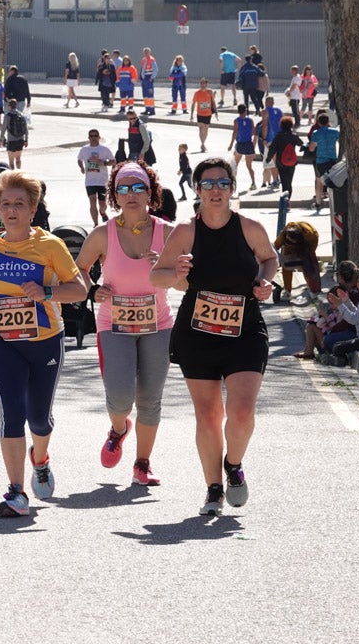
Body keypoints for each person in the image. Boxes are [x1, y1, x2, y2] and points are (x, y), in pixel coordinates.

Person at [150, 157, 278, 516]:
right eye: (208, 184)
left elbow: (270, 259)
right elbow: (157, 278)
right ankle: (213, 489)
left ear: (232, 187)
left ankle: (233, 464)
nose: (216, 190)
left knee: (241, 412)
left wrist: (265, 281)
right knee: (208, 416)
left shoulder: (249, 228)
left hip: (245, 331)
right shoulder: (186, 232)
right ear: (197, 190)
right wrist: (175, 270)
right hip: (198, 333)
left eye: (222, 183)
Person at [0, 170, 89, 516]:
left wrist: (47, 292)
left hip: (45, 339)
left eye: (20, 204)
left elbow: (80, 289)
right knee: (11, 414)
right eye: (5, 204)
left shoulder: (50, 245)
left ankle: (41, 459)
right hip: (4, 339)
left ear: (33, 209)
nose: (12, 210)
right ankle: (16, 492)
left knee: (39, 419)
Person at [75, 161, 174, 487]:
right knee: (120, 398)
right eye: (123, 188)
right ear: (115, 194)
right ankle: (119, 428)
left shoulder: (168, 232)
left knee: (150, 399)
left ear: (150, 191)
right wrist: (93, 288)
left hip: (157, 324)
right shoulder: (102, 234)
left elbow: (190, 271)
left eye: (138, 187)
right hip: (113, 325)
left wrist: (167, 268)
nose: (131, 194)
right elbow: (79, 269)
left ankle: (142, 464)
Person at [292, 261, 359, 358]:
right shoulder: (347, 291)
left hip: (352, 332)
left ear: (341, 277)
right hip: (340, 327)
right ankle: (309, 351)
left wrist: (329, 325)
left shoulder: (354, 294)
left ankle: (327, 353)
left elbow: (347, 322)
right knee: (311, 326)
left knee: (326, 339)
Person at [273, 220, 322, 301]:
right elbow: (275, 247)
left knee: (308, 267)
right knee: (286, 266)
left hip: (305, 248)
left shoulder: (310, 236)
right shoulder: (283, 236)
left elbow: (311, 252)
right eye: (289, 243)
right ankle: (287, 290)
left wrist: (301, 257)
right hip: (288, 249)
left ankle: (314, 290)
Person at [265, 116, 305, 207]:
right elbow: (302, 145)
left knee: (284, 181)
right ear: (291, 125)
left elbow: (273, 149)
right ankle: (288, 200)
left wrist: (268, 158)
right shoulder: (293, 136)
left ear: (281, 126)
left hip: (281, 163)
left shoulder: (278, 137)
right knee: (289, 182)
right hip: (291, 162)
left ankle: (285, 200)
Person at [77, 128, 115, 225]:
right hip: (90, 181)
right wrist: (82, 168)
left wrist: (104, 163)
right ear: (88, 138)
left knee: (102, 204)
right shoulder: (84, 149)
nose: (93, 138)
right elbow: (79, 159)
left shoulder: (104, 149)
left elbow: (113, 161)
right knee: (92, 201)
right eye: (91, 136)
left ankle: (102, 212)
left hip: (102, 181)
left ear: (99, 137)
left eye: (95, 136)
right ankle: (96, 224)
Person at [308, 113, 340, 209]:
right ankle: (333, 202)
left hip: (321, 161)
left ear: (318, 122)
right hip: (332, 159)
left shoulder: (316, 133)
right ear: (328, 121)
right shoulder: (335, 132)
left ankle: (318, 202)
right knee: (333, 181)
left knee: (319, 181)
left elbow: (311, 148)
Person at [228, 103, 258, 191]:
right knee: (249, 166)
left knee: (235, 165)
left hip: (240, 144)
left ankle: (233, 184)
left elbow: (235, 133)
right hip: (248, 144)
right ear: (246, 110)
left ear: (238, 111)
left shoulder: (236, 121)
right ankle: (253, 183)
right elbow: (253, 132)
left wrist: (230, 144)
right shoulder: (250, 120)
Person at [260, 96, 284, 189]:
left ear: (265, 102)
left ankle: (275, 180)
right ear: (273, 102)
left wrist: (264, 138)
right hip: (280, 138)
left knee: (271, 161)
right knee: (278, 159)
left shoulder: (265, 111)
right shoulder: (279, 111)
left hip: (271, 138)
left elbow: (265, 126)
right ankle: (278, 178)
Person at [190, 77, 218, 153]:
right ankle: (202, 144)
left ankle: (203, 143)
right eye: (201, 84)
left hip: (208, 114)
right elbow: (193, 104)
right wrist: (191, 115)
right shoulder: (197, 93)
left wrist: (216, 112)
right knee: (201, 129)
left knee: (206, 129)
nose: (202, 85)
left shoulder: (210, 92)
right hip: (200, 114)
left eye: (204, 84)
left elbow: (213, 102)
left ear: (206, 84)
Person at [1, 98, 29, 169]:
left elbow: (3, 129)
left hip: (11, 140)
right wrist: (26, 140)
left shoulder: (7, 116)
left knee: (11, 162)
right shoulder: (21, 115)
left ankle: (13, 176)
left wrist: (1, 139)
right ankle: (19, 173)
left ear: (9, 106)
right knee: (18, 159)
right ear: (16, 105)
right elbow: (26, 129)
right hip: (20, 140)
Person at [139, 47, 158, 115]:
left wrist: (152, 78)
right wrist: (141, 77)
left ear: (150, 52)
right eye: (145, 52)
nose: (146, 53)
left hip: (149, 79)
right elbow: (142, 69)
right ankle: (147, 109)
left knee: (150, 95)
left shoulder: (152, 59)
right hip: (144, 79)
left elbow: (155, 70)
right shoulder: (143, 59)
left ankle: (152, 110)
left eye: (147, 52)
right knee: (145, 95)